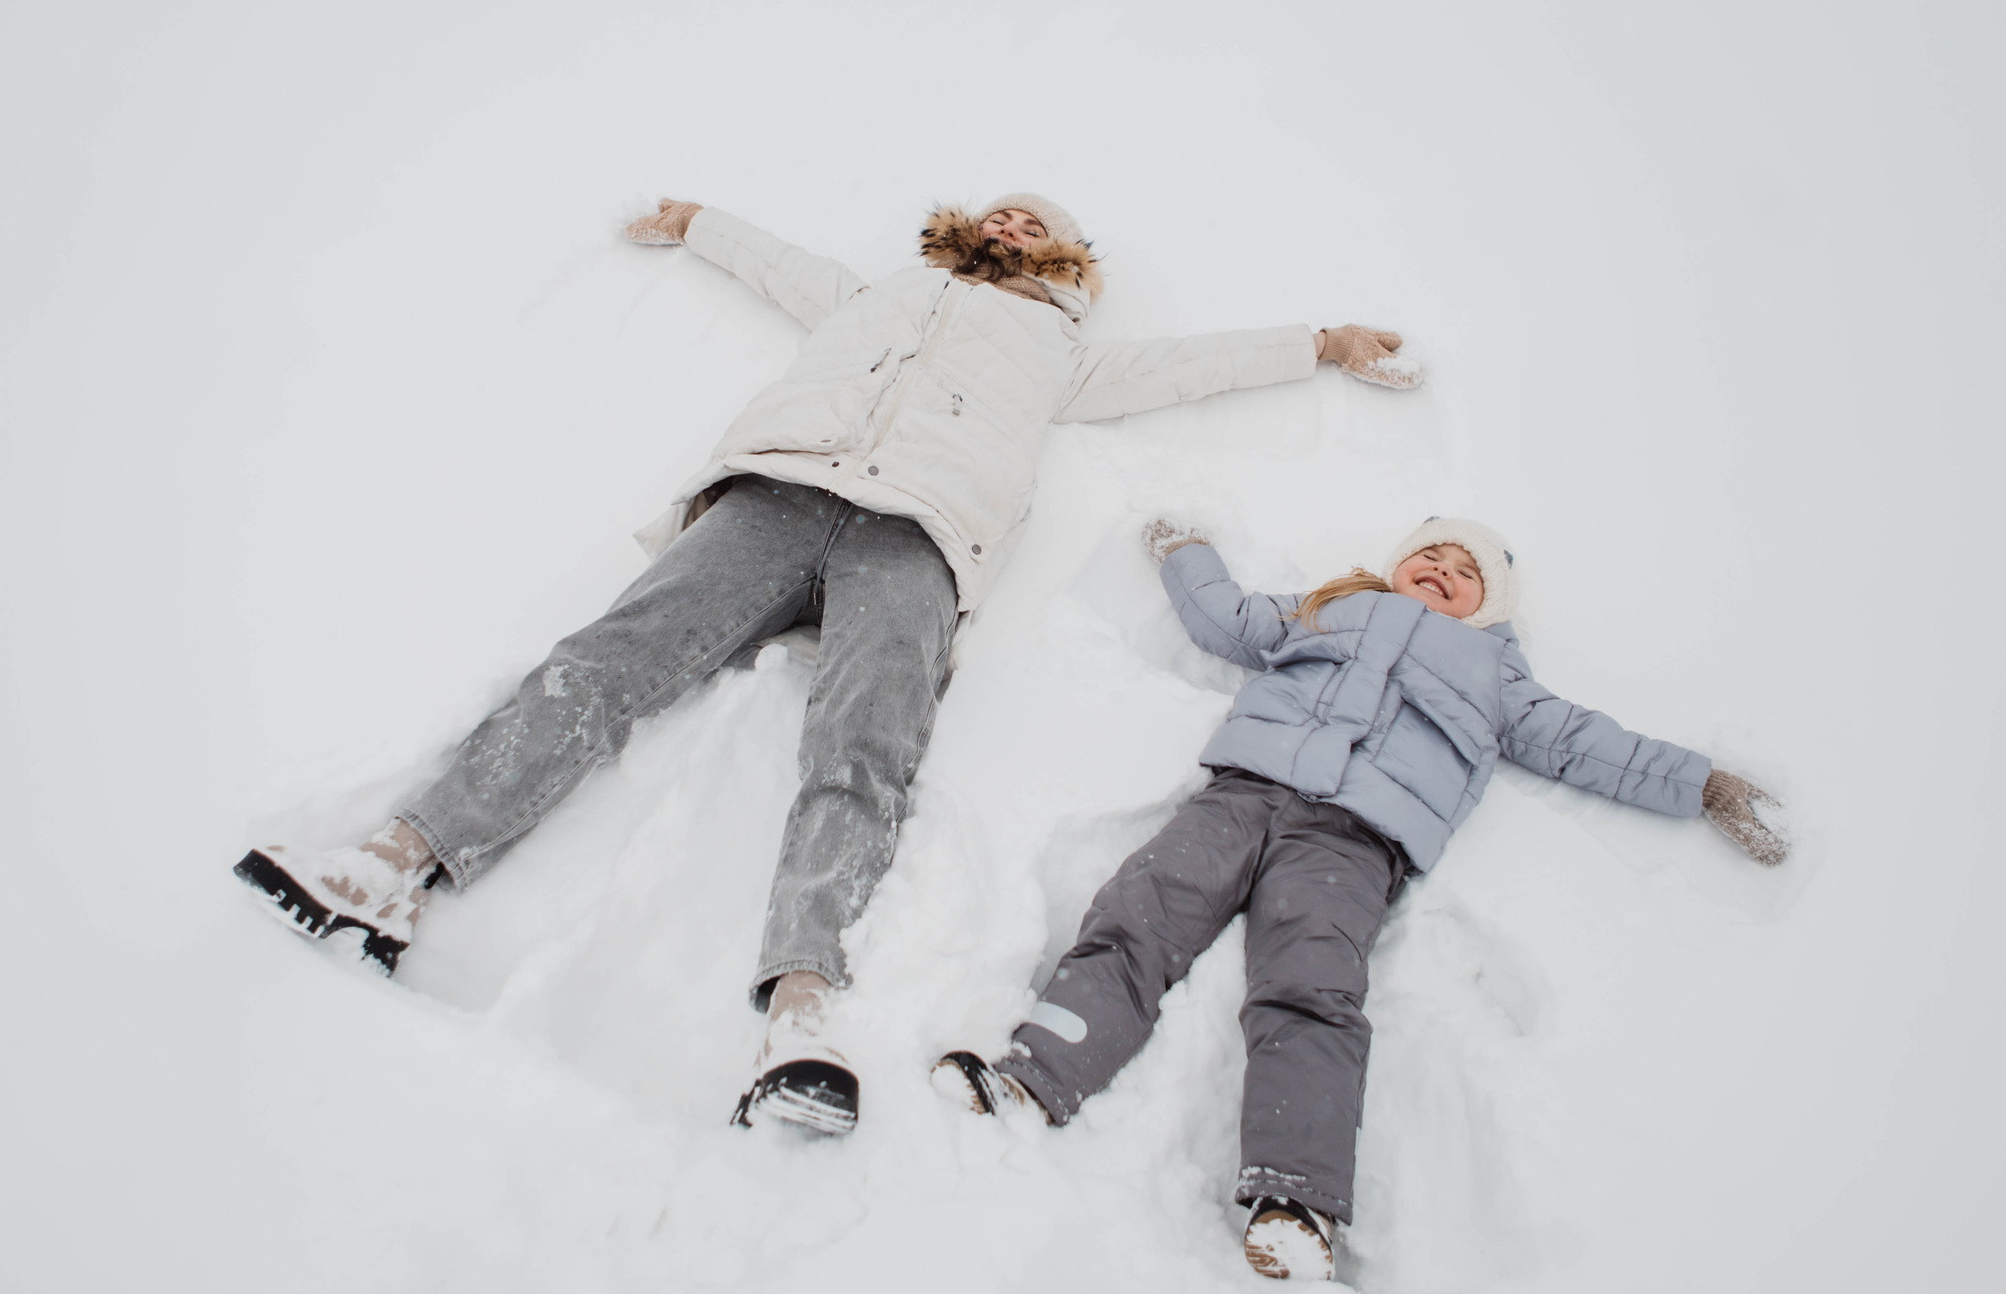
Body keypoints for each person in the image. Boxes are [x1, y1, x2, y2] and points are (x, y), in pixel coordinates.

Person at [235, 193, 1421, 1134]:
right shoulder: (882, 295)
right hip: (776, 495)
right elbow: (781, 267)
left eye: (1037, 223)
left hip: (920, 540)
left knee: (865, 748)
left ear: (1065, 264)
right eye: (1001, 210)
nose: (1014, 222)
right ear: (968, 229)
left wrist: (1319, 343)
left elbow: (1192, 365)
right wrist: (699, 221)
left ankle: (801, 1006)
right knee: (605, 663)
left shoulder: (1060, 353)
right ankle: (395, 864)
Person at [931, 515, 1785, 1279]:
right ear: (1399, 561)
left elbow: (1587, 743)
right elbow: (1229, 618)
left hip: (1352, 841)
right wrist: (1186, 552)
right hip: (1241, 794)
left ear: (1490, 606)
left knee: (1310, 986)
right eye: (1432, 554)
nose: (1444, 570)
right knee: (1140, 912)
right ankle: (1034, 1073)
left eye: (1467, 571)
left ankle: (1297, 1198)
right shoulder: (1333, 605)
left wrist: (1703, 784)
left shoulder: (1497, 673)